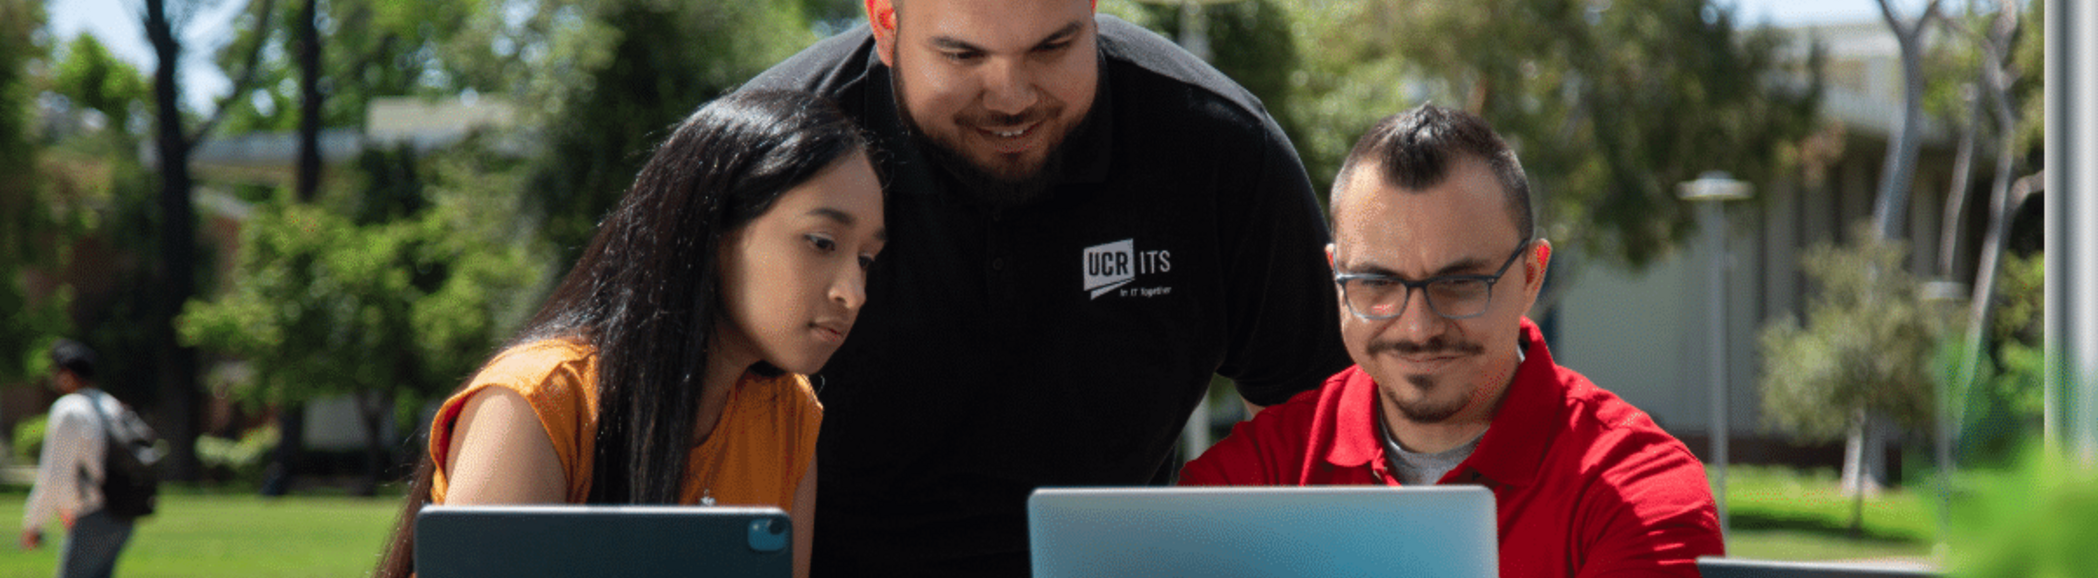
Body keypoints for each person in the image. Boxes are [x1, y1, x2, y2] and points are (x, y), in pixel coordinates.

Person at [740, 1, 1349, 574]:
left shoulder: (1220, 149)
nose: (1011, 98)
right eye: (962, 55)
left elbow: (1325, 437)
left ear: (1091, 11)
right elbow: (671, 439)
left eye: (1052, 47)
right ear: (886, 22)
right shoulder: (758, 164)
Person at [1181, 105, 1726, 577]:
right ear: (1337, 281)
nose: (1417, 327)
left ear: (1531, 277)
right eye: (1376, 283)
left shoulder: (1637, 491)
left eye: (1461, 284)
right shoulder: (1249, 481)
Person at [373, 89, 885, 578]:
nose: (853, 291)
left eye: (866, 260)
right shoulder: (537, 401)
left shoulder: (789, 413)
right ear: (712, 230)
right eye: (822, 243)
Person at [20, 339, 141, 578]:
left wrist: (33, 524)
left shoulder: (70, 409)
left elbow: (54, 474)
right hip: (124, 513)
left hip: (93, 513)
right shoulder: (111, 404)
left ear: (67, 375)